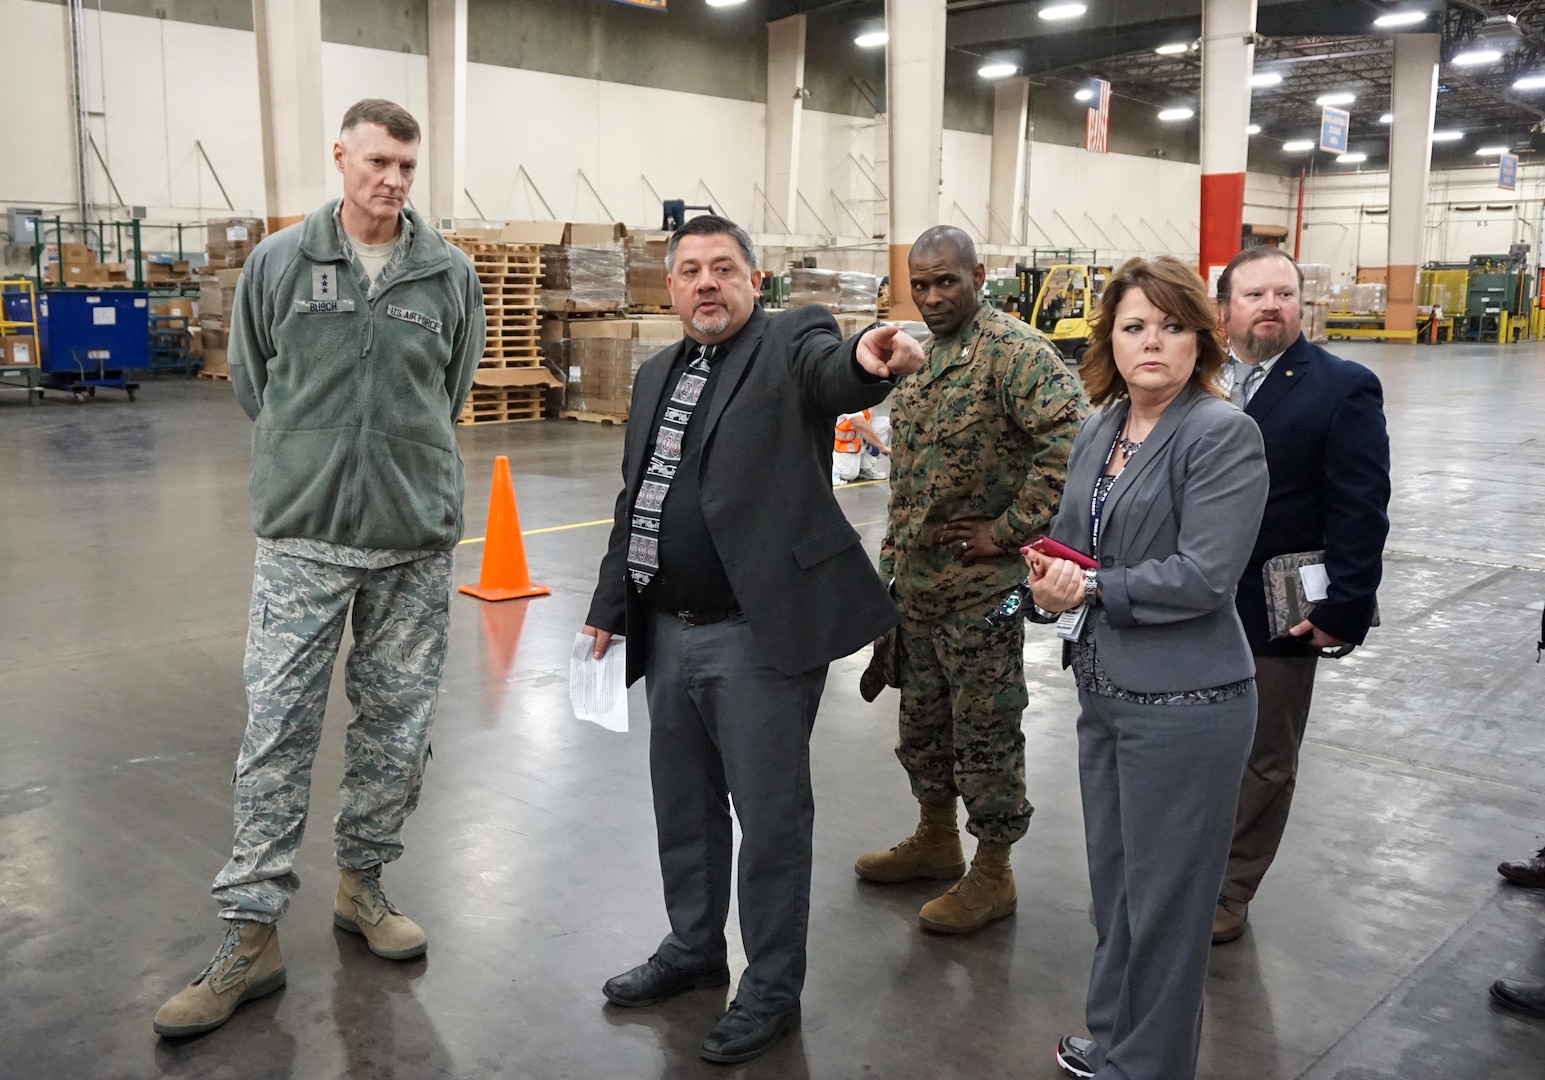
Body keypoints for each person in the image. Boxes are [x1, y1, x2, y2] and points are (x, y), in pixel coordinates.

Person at [153, 99, 485, 1038]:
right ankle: (250, 932)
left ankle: (362, 886)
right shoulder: (279, 264)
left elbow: (451, 387)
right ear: (339, 156)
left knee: (395, 727)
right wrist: (315, 458)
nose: (392, 180)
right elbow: (255, 384)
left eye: (407, 168)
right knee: (277, 731)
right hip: (302, 538)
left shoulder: (447, 273)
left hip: (413, 541)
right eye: (377, 161)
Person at [582, 214, 924, 1065]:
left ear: (753, 281)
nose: (707, 282)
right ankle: (694, 949)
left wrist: (867, 359)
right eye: (691, 270)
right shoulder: (656, 370)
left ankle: (770, 986)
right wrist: (608, 605)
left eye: (724, 268)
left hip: (755, 639)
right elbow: (640, 498)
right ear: (670, 287)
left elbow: (835, 372)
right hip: (666, 631)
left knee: (769, 821)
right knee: (683, 806)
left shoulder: (789, 340)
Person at [1027, 256, 1268, 1080]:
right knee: (1118, 890)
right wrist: (1049, 585)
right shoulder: (1100, 425)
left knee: (1166, 903)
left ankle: (1151, 1064)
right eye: (1134, 326)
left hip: (1187, 704)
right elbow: (1069, 542)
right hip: (1105, 689)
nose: (1151, 341)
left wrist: (1090, 585)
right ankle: (1114, 1036)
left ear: (1200, 335)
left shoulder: (1219, 431)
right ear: (1110, 340)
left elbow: (1204, 576)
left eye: (1170, 324)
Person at [854, 225, 1086, 934]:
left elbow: (1071, 437)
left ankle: (993, 871)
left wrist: (1011, 529)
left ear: (977, 276)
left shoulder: (1014, 352)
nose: (930, 296)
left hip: (984, 590)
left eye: (945, 281)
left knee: (984, 729)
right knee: (921, 723)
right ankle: (934, 838)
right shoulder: (917, 355)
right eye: (919, 283)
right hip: (917, 584)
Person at [1212, 246, 1391, 944]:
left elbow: (1361, 505)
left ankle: (1230, 890)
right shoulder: (1197, 380)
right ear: (1225, 308)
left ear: (1299, 304)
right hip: (1190, 600)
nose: (1269, 306)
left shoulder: (1341, 386)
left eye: (1282, 293)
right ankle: (1187, 870)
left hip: (1276, 611)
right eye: (1253, 294)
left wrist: (1343, 606)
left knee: (1264, 757)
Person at [832, 409, 891, 484]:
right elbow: (859, 423)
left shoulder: (863, 398)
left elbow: (869, 412)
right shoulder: (849, 400)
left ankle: (865, 467)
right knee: (848, 474)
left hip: (856, 438)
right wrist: (881, 447)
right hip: (841, 444)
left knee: (885, 424)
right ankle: (832, 465)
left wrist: (866, 436)